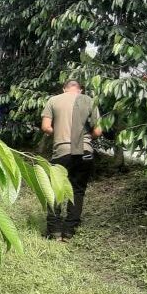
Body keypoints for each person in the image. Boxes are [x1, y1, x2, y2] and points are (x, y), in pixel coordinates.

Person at [41, 78, 102, 240]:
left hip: (62, 151)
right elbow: (98, 131)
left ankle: (54, 231)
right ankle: (69, 231)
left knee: (55, 190)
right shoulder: (89, 101)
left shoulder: (53, 100)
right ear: (80, 90)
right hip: (85, 152)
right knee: (77, 190)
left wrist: (60, 133)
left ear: (64, 89)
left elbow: (46, 127)